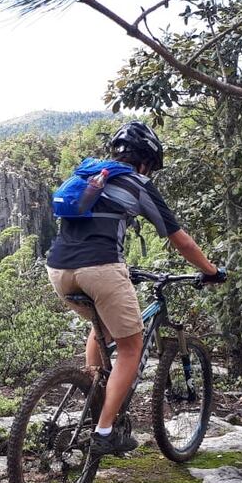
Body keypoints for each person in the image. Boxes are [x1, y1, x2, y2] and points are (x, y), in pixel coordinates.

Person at [46, 121, 226, 456]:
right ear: (144, 162)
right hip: (100, 268)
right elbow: (181, 241)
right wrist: (211, 271)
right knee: (131, 346)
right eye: (151, 168)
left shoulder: (90, 175)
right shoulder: (138, 182)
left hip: (58, 270)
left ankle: (95, 395)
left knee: (101, 328)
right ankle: (104, 431)